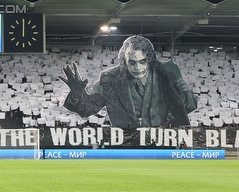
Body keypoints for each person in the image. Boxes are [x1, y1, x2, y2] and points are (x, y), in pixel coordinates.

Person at [59, 35, 197, 129]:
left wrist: (185, 93)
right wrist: (77, 94)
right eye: (132, 62)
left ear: (150, 59)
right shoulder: (109, 79)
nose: (137, 68)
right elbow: (87, 109)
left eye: (142, 61)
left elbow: (187, 108)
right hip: (125, 145)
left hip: (162, 143)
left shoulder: (167, 74)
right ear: (124, 62)